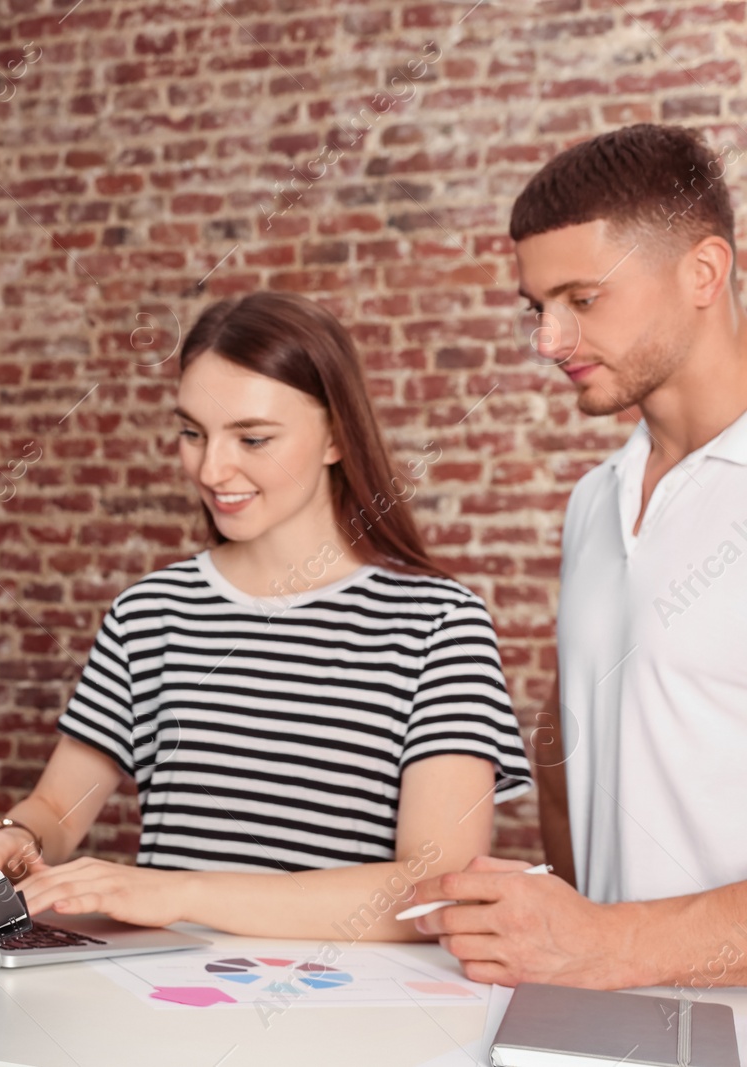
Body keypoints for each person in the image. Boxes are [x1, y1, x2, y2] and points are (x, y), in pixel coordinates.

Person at [0, 291, 533, 941]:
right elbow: (56, 808)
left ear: (335, 436)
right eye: (192, 432)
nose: (211, 469)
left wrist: (178, 890)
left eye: (253, 436)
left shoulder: (439, 625)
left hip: (353, 1016)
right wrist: (16, 833)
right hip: (161, 1000)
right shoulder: (148, 614)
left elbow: (435, 888)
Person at [411, 123, 747, 990]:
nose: (547, 341)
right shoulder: (595, 500)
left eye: (582, 300)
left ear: (703, 273)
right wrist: (565, 925)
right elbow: (562, 750)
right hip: (609, 1028)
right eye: (536, 306)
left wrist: (607, 943)